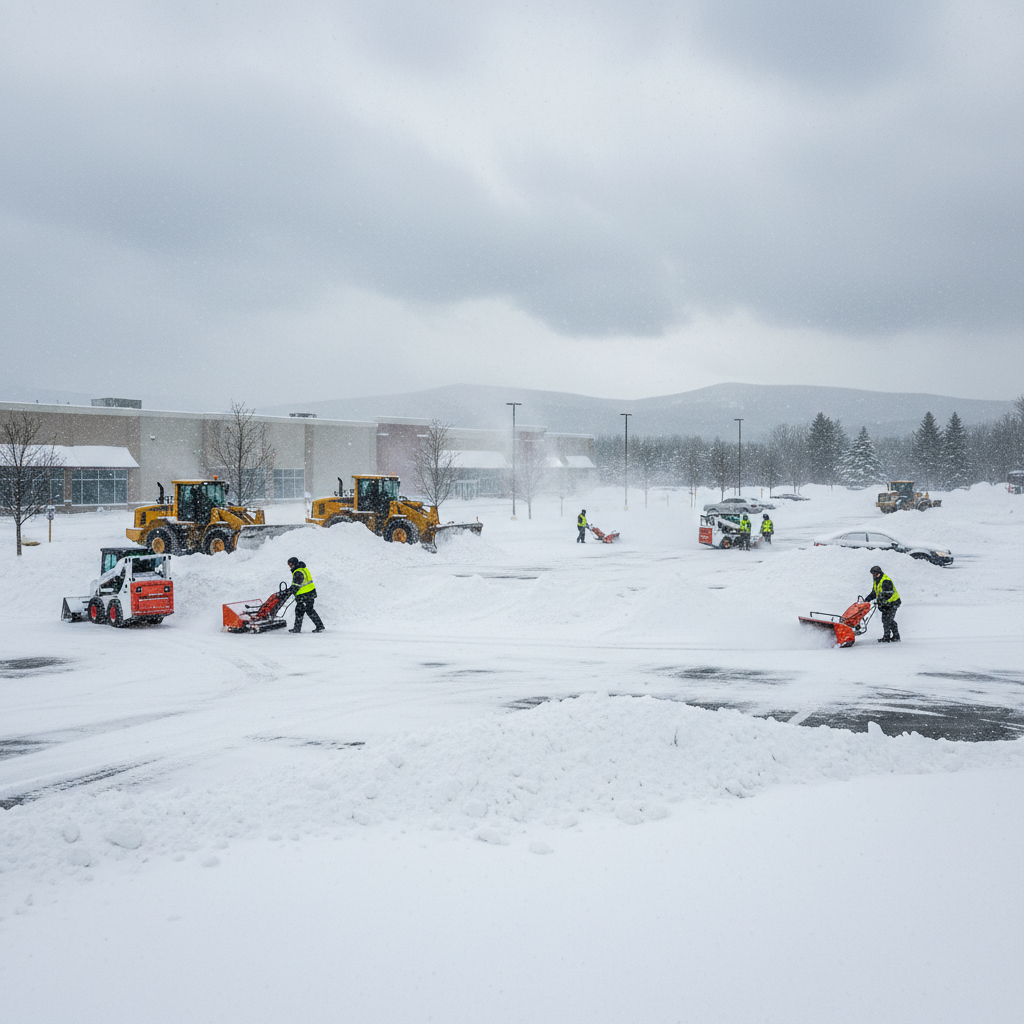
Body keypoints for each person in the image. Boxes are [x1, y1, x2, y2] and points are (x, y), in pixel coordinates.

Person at [285, 556, 325, 633]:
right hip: (310, 594)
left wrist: (288, 592)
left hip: (304, 595)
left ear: (294, 564)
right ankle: (320, 626)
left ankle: (297, 629)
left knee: (299, 611)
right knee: (309, 610)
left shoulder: (298, 572)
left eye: (290, 565)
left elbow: (296, 585)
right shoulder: (303, 569)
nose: (290, 567)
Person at [867, 565, 900, 642]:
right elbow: (874, 592)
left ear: (879, 573)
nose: (874, 576)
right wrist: (867, 599)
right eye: (872, 574)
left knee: (887, 620)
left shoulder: (886, 580)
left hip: (893, 603)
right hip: (885, 604)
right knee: (886, 620)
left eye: (875, 574)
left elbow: (888, 594)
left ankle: (888, 637)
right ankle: (895, 636)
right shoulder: (876, 580)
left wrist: (880, 600)